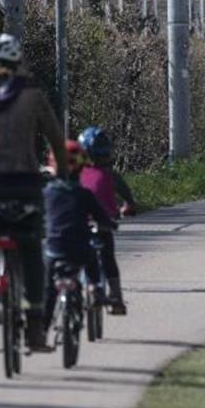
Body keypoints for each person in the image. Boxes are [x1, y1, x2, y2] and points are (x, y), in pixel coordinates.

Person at [0, 33, 67, 351]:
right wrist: (61, 172)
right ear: (18, 61)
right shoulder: (33, 96)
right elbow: (56, 138)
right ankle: (34, 329)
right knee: (32, 248)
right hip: (24, 182)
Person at [42, 141, 117, 338]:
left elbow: (37, 215)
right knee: (92, 259)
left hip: (54, 250)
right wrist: (110, 224)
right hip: (80, 249)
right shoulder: (85, 194)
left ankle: (42, 328)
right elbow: (102, 217)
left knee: (49, 290)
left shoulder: (47, 193)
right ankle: (94, 287)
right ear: (82, 167)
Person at [77, 126, 136, 316]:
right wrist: (128, 206)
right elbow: (127, 196)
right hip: (103, 225)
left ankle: (86, 289)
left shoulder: (76, 175)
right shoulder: (111, 175)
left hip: (80, 225)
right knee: (108, 258)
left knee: (79, 257)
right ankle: (116, 297)